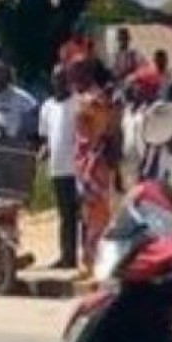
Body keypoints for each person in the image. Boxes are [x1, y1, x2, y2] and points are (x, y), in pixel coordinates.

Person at [70, 57, 118, 276]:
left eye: (76, 71)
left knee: (97, 214)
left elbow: (107, 134)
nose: (72, 75)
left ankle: (97, 261)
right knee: (87, 215)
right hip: (83, 163)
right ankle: (89, 260)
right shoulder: (84, 98)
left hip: (94, 163)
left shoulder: (94, 100)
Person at [39, 65, 79, 270]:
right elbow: (46, 138)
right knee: (65, 216)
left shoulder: (78, 104)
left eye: (63, 78)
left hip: (78, 169)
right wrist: (44, 151)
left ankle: (86, 257)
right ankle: (67, 256)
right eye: (56, 79)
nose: (60, 82)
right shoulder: (47, 107)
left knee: (82, 215)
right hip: (58, 169)